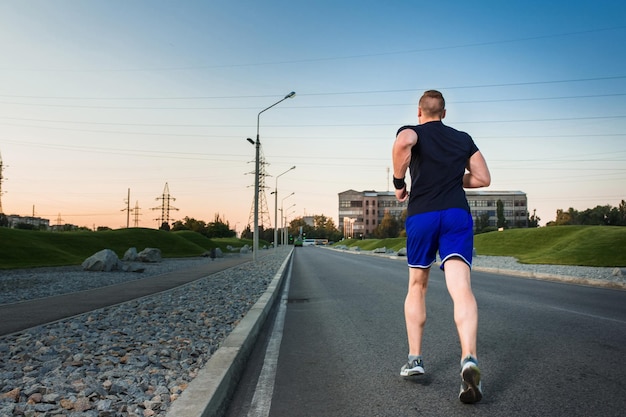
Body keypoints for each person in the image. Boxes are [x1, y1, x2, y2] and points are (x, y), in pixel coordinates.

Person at [391, 90, 491, 404]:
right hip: (456, 215)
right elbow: (483, 178)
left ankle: (416, 360)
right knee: (461, 288)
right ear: (444, 114)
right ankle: (469, 358)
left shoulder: (413, 131)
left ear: (420, 112)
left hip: (423, 215)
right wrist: (452, 178)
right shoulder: (462, 138)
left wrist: (399, 183)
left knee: (417, 285)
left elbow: (405, 141)